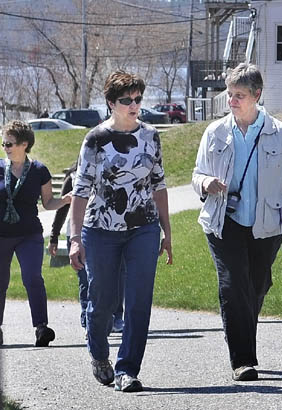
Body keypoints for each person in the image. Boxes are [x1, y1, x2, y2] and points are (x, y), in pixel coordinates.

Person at [192, 63, 282, 382]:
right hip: (223, 222)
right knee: (233, 286)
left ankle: (243, 336)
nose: (232, 101)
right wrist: (206, 184)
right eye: (229, 94)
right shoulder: (215, 132)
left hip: (266, 225)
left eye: (239, 95)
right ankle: (243, 360)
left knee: (255, 287)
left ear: (257, 95)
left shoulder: (280, 134)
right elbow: (197, 175)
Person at [69, 70, 173, 393]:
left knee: (139, 300)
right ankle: (99, 353)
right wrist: (74, 239)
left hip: (144, 228)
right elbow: (80, 191)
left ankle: (127, 369)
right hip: (101, 230)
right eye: (126, 100)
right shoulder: (95, 140)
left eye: (138, 99)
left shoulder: (151, 136)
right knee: (103, 301)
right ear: (112, 103)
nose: (134, 105)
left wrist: (167, 232)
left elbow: (159, 185)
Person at [0, 121, 71, 347]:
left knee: (32, 277)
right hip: (1, 236)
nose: (5, 147)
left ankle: (41, 327)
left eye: (9, 143)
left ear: (24, 144)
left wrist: (66, 200)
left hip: (29, 234)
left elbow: (48, 202)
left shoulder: (39, 171)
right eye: (4, 143)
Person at [48, 160, 124, 338]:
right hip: (77, 234)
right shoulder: (74, 177)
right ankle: (88, 321)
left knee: (111, 278)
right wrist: (53, 236)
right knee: (85, 279)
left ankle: (115, 317)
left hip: (107, 232)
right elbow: (62, 208)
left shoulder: (112, 174)